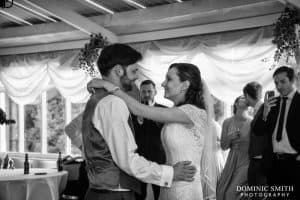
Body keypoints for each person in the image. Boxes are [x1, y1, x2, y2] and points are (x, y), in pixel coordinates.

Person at [88, 62, 218, 200]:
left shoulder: (193, 112)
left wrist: (108, 86)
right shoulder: (176, 112)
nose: (163, 83)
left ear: (184, 85)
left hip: (187, 187)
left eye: (169, 79)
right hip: (170, 184)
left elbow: (139, 109)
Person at [253, 66, 300, 199]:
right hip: (273, 163)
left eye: (283, 81)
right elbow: (257, 131)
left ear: (292, 81)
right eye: (276, 83)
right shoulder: (272, 103)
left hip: (295, 164)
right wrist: (265, 113)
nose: (279, 86)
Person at [132, 79, 166, 200]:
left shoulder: (164, 110)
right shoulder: (133, 111)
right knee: (139, 194)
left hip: (159, 158)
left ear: (155, 92)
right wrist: (139, 121)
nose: (146, 94)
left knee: (159, 194)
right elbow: (130, 134)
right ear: (140, 93)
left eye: (149, 91)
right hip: (140, 159)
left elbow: (166, 132)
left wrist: (152, 114)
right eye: (143, 92)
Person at [216, 96, 251, 200]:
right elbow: (223, 147)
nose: (245, 99)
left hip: (246, 161)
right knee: (221, 191)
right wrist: (230, 137)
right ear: (236, 103)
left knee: (231, 193)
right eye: (242, 98)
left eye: (247, 98)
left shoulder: (253, 122)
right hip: (232, 160)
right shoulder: (227, 122)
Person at [243, 81, 267, 198]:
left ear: (247, 95)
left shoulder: (265, 109)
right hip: (256, 161)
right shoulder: (259, 109)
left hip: (261, 162)